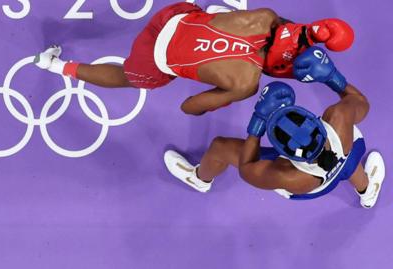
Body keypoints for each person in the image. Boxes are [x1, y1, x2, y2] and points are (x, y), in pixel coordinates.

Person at [34, 2, 354, 115]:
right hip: (155, 58)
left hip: (174, 14)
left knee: (212, 13)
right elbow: (188, 108)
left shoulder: (267, 17)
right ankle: (55, 65)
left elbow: (287, 30)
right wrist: (222, 98)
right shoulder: (247, 82)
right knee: (126, 78)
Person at [163, 46, 385, 208]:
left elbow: (247, 170)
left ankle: (200, 179)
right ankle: (367, 192)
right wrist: (331, 77)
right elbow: (361, 101)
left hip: (312, 187)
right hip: (348, 153)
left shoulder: (289, 177)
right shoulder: (339, 117)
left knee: (220, 147)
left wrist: (258, 122)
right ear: (318, 122)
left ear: (285, 156)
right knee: (347, 163)